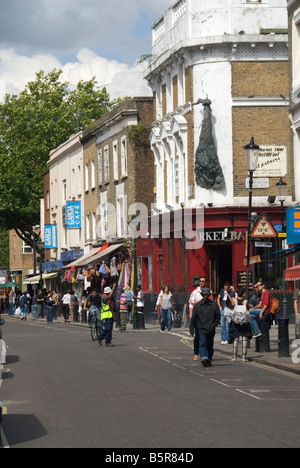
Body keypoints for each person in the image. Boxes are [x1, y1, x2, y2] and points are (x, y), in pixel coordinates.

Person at [190, 288, 220, 368]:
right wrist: (191, 329)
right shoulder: (197, 306)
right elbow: (193, 318)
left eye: (207, 295)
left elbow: (218, 315)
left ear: (209, 295)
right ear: (202, 295)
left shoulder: (214, 305)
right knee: (203, 343)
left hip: (211, 328)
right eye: (204, 295)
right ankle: (204, 357)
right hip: (201, 328)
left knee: (210, 345)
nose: (205, 296)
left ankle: (208, 359)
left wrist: (215, 324)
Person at [189, 276, 212, 360]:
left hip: (206, 318)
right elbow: (191, 304)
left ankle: (206, 355)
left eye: (203, 281)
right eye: (200, 281)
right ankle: (196, 353)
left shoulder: (209, 292)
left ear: (206, 282)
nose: (201, 282)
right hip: (197, 318)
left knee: (207, 338)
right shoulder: (195, 292)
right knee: (197, 337)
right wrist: (191, 316)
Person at [231, 289, 252, 362]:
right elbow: (248, 309)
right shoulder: (245, 301)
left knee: (236, 339)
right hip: (244, 323)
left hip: (236, 323)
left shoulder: (234, 301)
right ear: (243, 294)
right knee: (244, 339)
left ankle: (234, 356)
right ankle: (243, 357)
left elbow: (232, 307)